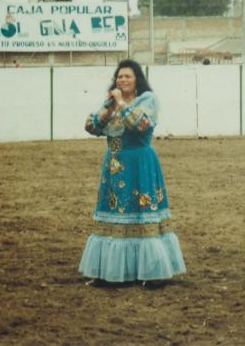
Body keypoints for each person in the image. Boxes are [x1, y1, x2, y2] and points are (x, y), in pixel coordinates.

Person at [79, 60, 186, 282]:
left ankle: (152, 272)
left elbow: (140, 124)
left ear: (137, 79)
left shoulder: (148, 99)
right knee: (115, 211)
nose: (122, 80)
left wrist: (121, 103)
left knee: (141, 212)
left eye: (127, 76)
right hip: (115, 159)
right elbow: (91, 126)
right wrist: (109, 108)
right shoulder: (110, 103)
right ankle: (108, 271)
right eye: (119, 77)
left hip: (140, 161)